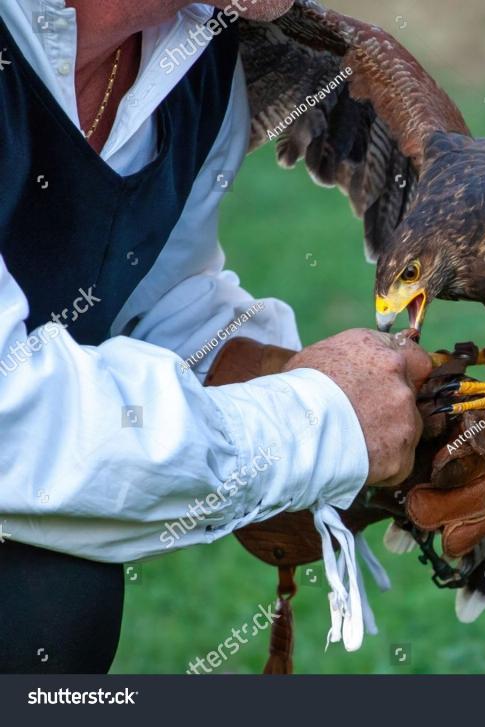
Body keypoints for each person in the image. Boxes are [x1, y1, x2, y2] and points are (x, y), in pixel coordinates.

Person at [0, 0, 430, 673]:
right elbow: (12, 426)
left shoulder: (196, 53)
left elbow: (151, 301)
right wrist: (310, 425)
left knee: (54, 595)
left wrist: (316, 388)